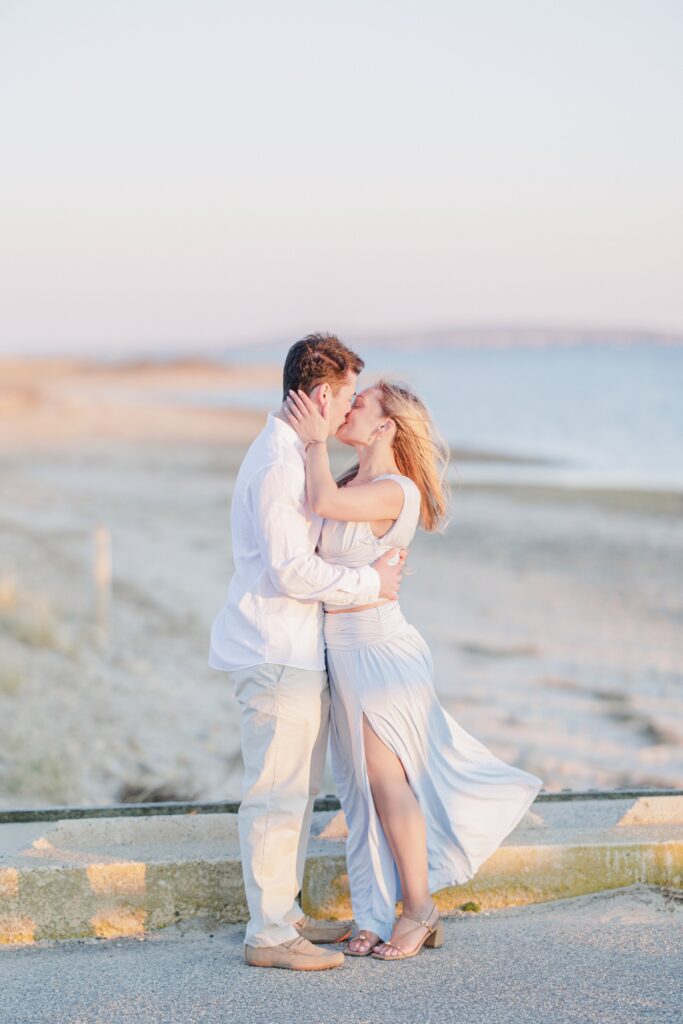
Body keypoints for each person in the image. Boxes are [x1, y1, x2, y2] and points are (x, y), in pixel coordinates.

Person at [283, 379, 544, 962]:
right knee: (359, 794)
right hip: (341, 652)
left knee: (385, 782)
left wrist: (311, 439)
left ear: (385, 427)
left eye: (359, 404)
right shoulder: (353, 480)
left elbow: (321, 504)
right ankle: (374, 913)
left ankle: (419, 908)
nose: (348, 409)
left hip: (380, 652)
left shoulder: (394, 491)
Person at [208, 333, 406, 971]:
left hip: (294, 649)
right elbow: (294, 571)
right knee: (274, 794)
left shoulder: (296, 454)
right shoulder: (278, 463)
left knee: (294, 791)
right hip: (272, 650)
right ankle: (268, 936)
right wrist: (368, 584)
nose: (349, 411)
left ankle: (285, 916)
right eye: (345, 397)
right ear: (322, 394)